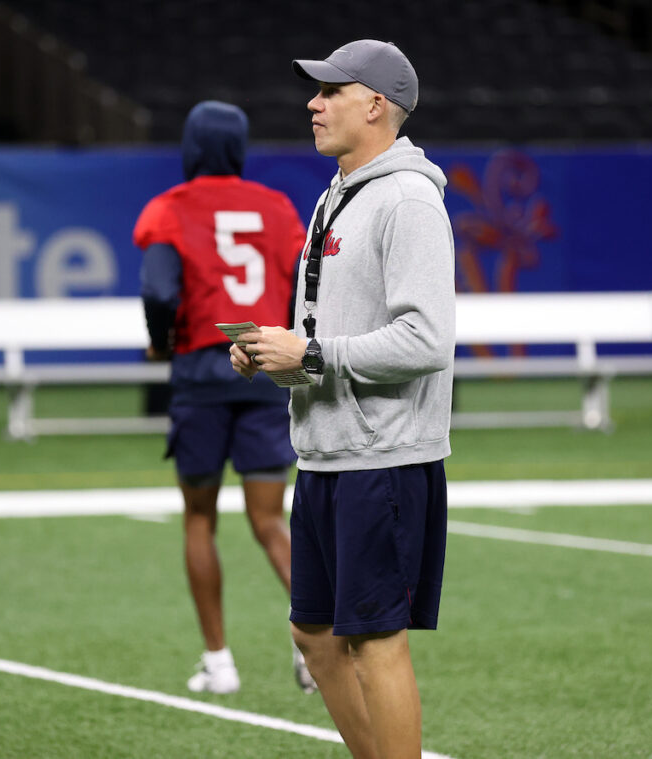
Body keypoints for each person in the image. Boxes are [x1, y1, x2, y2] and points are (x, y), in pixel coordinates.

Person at [229, 40, 455, 759]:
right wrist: (276, 352)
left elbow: (426, 340)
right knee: (316, 636)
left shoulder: (410, 199)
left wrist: (314, 353)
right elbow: (324, 333)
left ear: (376, 105)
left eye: (331, 91)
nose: (313, 103)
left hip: (382, 458)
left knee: (374, 642)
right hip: (327, 453)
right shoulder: (338, 194)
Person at [133, 100, 317, 696]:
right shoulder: (277, 206)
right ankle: (313, 644)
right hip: (262, 369)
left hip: (200, 374)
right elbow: (301, 283)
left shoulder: (168, 208)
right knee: (269, 520)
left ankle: (219, 663)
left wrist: (161, 344)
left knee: (199, 517)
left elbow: (160, 290)